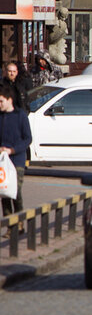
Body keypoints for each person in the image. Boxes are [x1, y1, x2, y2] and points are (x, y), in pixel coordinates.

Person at [0, 83, 32, 219]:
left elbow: (28, 138)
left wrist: (13, 150)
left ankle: (19, 220)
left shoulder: (20, 116)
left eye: (1, 101)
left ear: (9, 100)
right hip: (2, 161)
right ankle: (9, 224)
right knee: (4, 192)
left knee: (16, 191)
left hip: (17, 160)